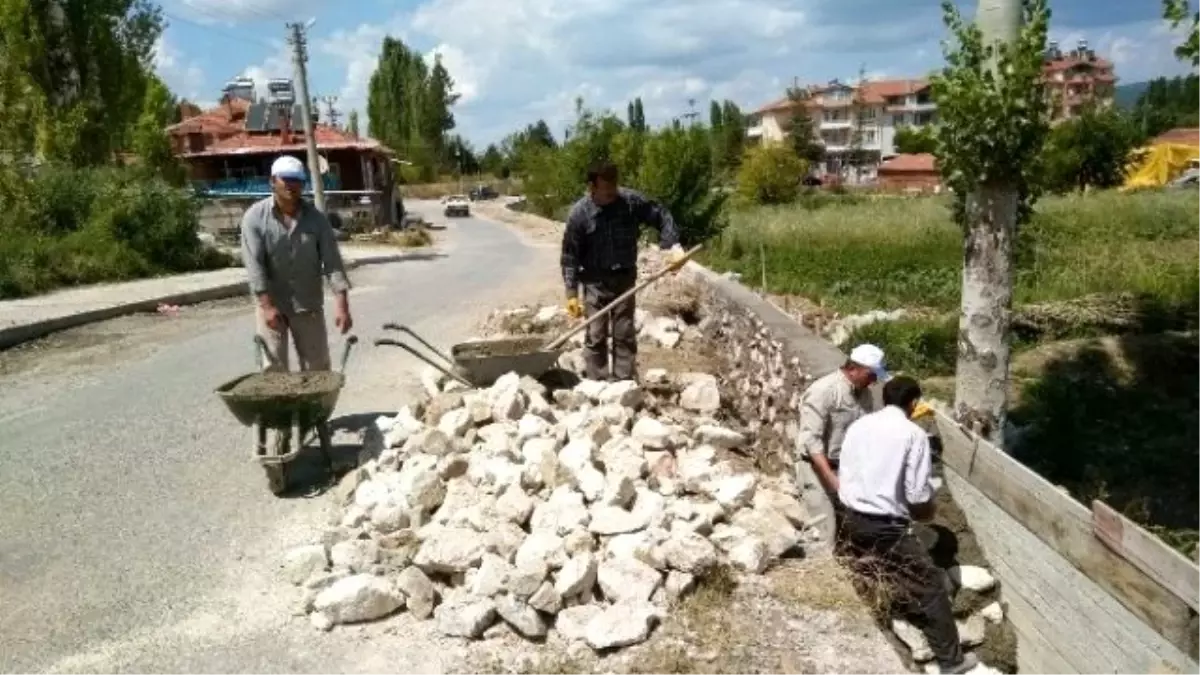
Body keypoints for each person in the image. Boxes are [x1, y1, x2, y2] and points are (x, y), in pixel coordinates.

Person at [837, 376, 979, 675]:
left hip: (849, 517)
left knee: (886, 568)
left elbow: (848, 468)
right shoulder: (912, 435)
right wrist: (929, 511)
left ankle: (896, 611)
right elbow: (916, 495)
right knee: (931, 585)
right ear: (913, 403)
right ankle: (952, 662)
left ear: (884, 398)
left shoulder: (859, 425)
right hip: (883, 525)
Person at [240, 156, 354, 447]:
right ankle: (280, 422)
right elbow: (254, 266)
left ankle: (312, 418)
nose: (291, 186)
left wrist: (341, 303)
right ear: (272, 182)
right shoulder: (255, 217)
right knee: (273, 367)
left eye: (297, 181)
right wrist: (266, 306)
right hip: (272, 307)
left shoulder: (316, 220)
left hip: (307, 305)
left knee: (317, 368)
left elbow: (332, 262)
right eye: (285, 179)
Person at [560, 160, 687, 381]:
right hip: (594, 281)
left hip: (624, 278)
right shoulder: (580, 215)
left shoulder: (630, 202)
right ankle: (597, 385)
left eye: (614, 188)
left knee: (624, 333)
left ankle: (624, 382)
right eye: (605, 190)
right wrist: (571, 294)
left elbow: (662, 216)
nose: (611, 194)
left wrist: (672, 247)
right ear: (592, 187)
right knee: (596, 334)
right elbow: (570, 256)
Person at [795, 343, 887, 495]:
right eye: (871, 375)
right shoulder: (824, 391)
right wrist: (830, 478)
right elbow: (811, 439)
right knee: (824, 518)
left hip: (844, 471)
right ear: (852, 369)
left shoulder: (865, 395)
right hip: (816, 469)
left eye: (876, 376)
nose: (874, 381)